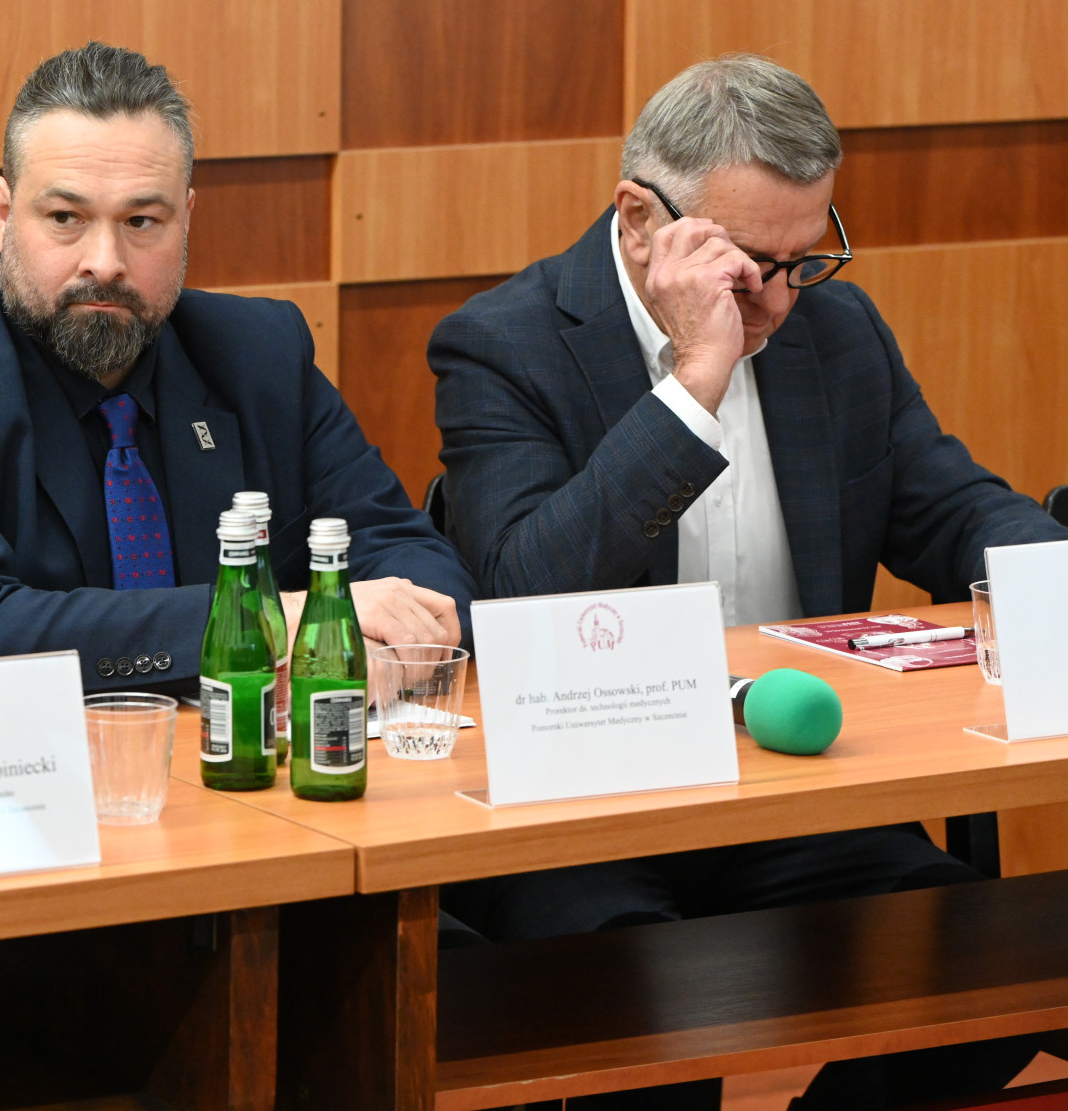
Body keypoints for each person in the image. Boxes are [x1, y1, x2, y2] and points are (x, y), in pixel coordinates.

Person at [429, 54, 1060, 1110]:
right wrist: (694, 382)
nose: (774, 297)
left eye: (801, 260)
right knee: (653, 1018)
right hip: (589, 808)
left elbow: (953, 509)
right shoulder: (506, 343)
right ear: (640, 218)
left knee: (1007, 975)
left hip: (799, 794)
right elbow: (521, 588)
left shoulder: (839, 332)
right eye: (744, 263)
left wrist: (1052, 574)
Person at [0, 41, 475, 693]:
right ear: (3, 213)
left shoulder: (261, 354)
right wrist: (270, 620)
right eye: (66, 217)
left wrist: (389, 647)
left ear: (186, 218)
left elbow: (414, 565)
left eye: (140, 221)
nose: (105, 262)